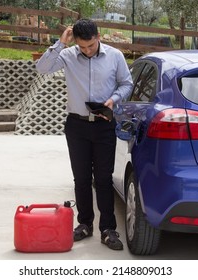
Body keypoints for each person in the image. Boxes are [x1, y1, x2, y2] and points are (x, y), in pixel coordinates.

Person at [36, 19, 133, 250]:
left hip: (104, 125)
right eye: (83, 47)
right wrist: (61, 42)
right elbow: (42, 68)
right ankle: (85, 224)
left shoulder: (115, 56)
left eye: (91, 45)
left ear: (98, 37)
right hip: (77, 126)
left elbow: (126, 84)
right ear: (76, 42)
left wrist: (114, 100)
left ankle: (108, 229)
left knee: (103, 179)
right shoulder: (68, 55)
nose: (87, 51)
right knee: (81, 179)